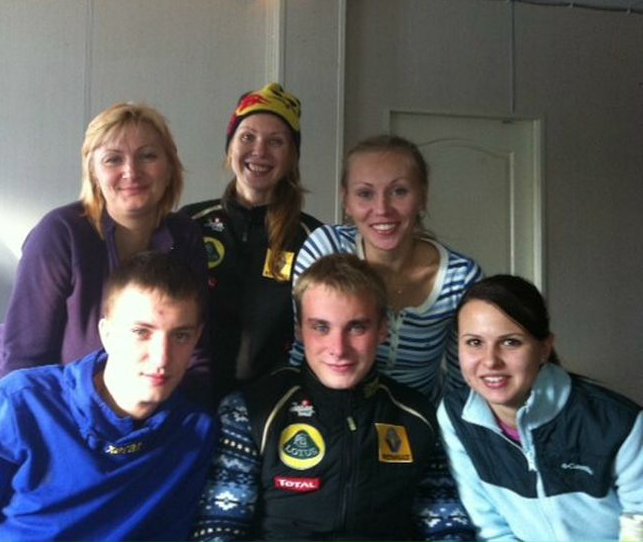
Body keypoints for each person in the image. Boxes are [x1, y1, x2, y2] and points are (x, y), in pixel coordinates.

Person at [0, 102, 209, 461]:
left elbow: (194, 343)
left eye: (148, 156)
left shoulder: (186, 236)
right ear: (93, 172)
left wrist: (198, 428)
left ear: (169, 165)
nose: (131, 171)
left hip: (102, 412)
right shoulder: (60, 233)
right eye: (113, 159)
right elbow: (25, 361)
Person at [0, 252, 218, 542]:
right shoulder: (22, 403)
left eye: (180, 336)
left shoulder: (194, 433)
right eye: (141, 332)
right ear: (108, 335)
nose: (162, 357)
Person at [191, 253, 437, 541]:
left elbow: (446, 525)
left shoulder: (417, 414)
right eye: (321, 327)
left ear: (383, 329)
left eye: (356, 327)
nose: (338, 349)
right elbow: (218, 529)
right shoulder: (249, 410)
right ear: (299, 329)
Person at [438, 274, 643, 542]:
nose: (490, 361)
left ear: (544, 348)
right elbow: (490, 525)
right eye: (474, 342)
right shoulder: (456, 416)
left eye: (510, 342)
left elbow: (639, 518)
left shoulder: (618, 422)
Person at [290, 134, 481, 400]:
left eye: (399, 191)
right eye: (365, 194)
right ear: (346, 201)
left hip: (419, 415)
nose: (382, 209)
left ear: (422, 197)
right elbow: (303, 346)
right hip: (325, 409)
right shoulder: (327, 247)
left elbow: (466, 378)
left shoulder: (460, 278)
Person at [181, 82, 322, 403]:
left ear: (292, 157)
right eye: (247, 137)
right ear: (230, 147)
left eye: (276, 141)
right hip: (192, 397)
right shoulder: (189, 223)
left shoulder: (314, 239)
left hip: (274, 405)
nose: (259, 151)